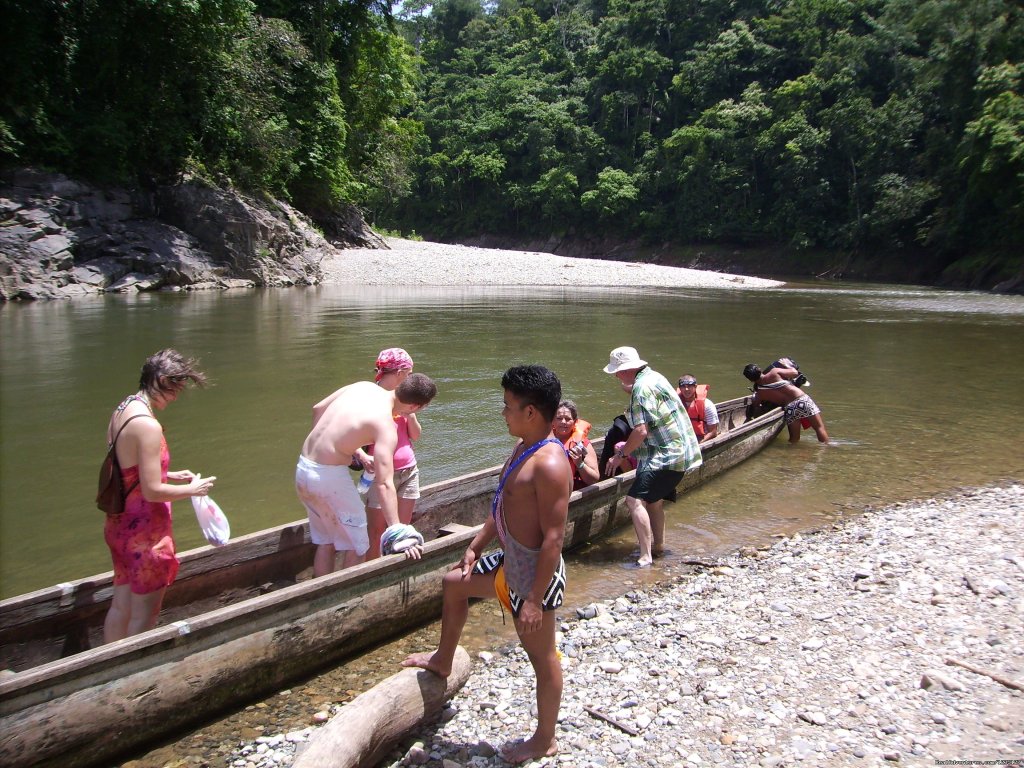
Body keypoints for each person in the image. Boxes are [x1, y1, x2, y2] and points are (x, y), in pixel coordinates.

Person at [402, 365, 572, 763]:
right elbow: (503, 505)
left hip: (533, 578)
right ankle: (443, 660)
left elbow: (553, 538)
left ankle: (546, 738)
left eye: (508, 406)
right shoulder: (523, 447)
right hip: (509, 561)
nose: (502, 413)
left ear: (531, 412)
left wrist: (532, 600)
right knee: (454, 583)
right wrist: (477, 544)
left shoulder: (549, 464)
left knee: (543, 659)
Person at [103, 349, 217, 643]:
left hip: (118, 525)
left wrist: (170, 474)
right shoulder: (149, 426)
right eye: (175, 389)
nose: (176, 397)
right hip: (145, 536)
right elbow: (152, 491)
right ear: (162, 380)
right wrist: (193, 490)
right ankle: (133, 674)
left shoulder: (124, 409)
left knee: (121, 606)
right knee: (145, 616)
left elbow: (128, 469)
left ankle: (107, 668)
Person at [296, 373, 437, 576]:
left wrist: (343, 447)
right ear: (414, 407)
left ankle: (321, 595)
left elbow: (317, 408)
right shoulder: (385, 425)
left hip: (304, 468)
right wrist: (397, 530)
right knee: (358, 544)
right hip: (329, 478)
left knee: (326, 541)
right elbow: (384, 483)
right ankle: (346, 601)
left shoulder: (362, 386)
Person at [602, 346, 702, 568]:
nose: (617, 376)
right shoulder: (654, 376)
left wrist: (620, 455)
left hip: (667, 454)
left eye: (618, 371)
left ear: (627, 370)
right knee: (654, 501)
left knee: (634, 500)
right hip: (681, 449)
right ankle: (658, 547)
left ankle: (645, 555)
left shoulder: (641, 388)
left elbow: (640, 431)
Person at [352, 348, 424, 559]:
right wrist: (363, 456)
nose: (410, 378)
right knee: (375, 532)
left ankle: (396, 570)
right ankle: (372, 573)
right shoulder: (370, 398)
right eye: (409, 373)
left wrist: (409, 414)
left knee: (403, 528)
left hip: (409, 470)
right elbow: (349, 437)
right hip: (381, 473)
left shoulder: (404, 398)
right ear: (400, 372)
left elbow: (416, 435)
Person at [743, 360, 830, 444]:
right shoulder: (774, 372)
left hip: (790, 408)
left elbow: (756, 405)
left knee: (794, 439)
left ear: (750, 380)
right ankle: (824, 450)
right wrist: (786, 365)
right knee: (819, 428)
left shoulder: (760, 393)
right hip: (802, 400)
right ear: (760, 370)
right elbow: (794, 372)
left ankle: (792, 455)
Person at [552, 399, 600, 490]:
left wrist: (579, 463)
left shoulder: (583, 444)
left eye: (568, 419)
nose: (563, 422)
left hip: (569, 489)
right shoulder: (543, 438)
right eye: (559, 418)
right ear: (552, 421)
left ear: (575, 422)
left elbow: (594, 479)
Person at [676, 375, 719, 443]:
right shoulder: (675, 404)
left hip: (701, 438)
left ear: (695, 386)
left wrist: (698, 444)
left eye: (689, 386)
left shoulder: (707, 405)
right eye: (683, 386)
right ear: (680, 388)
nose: (686, 389)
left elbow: (713, 432)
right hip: (683, 438)